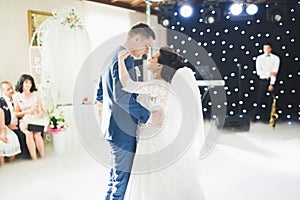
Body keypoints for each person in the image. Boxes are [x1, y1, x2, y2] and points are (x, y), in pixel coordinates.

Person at [118, 47, 205, 200]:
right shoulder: (168, 84)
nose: (149, 61)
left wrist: (120, 61)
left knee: (153, 174)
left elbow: (127, 85)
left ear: (159, 66)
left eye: (153, 58)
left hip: (154, 135)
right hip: (163, 134)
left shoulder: (157, 85)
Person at [96, 23, 163, 200]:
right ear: (136, 38)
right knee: (121, 184)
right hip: (122, 129)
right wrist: (148, 116)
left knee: (115, 179)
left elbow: (100, 95)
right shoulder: (124, 58)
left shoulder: (111, 55)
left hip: (112, 127)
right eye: (147, 46)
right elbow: (122, 97)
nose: (147, 52)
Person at [13, 74, 45, 160]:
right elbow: (16, 113)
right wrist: (27, 112)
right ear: (21, 83)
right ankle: (34, 159)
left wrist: (40, 114)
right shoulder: (16, 96)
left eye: (30, 82)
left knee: (37, 135)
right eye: (26, 82)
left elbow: (42, 109)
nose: (28, 85)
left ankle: (43, 158)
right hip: (25, 120)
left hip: (36, 119)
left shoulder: (36, 94)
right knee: (29, 134)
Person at [0, 81, 30, 159]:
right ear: (2, 91)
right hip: (7, 126)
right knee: (21, 135)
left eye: (11, 88)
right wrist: (7, 126)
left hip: (20, 123)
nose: (11, 90)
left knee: (32, 131)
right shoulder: (1, 102)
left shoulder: (17, 98)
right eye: (8, 89)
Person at [253, 43, 280, 122]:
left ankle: (269, 118)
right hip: (262, 80)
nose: (266, 50)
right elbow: (259, 72)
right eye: (265, 48)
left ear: (270, 49)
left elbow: (275, 71)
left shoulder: (276, 58)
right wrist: (269, 73)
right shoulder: (259, 58)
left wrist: (272, 83)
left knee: (271, 101)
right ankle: (255, 118)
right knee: (259, 99)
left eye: (268, 48)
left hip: (272, 80)